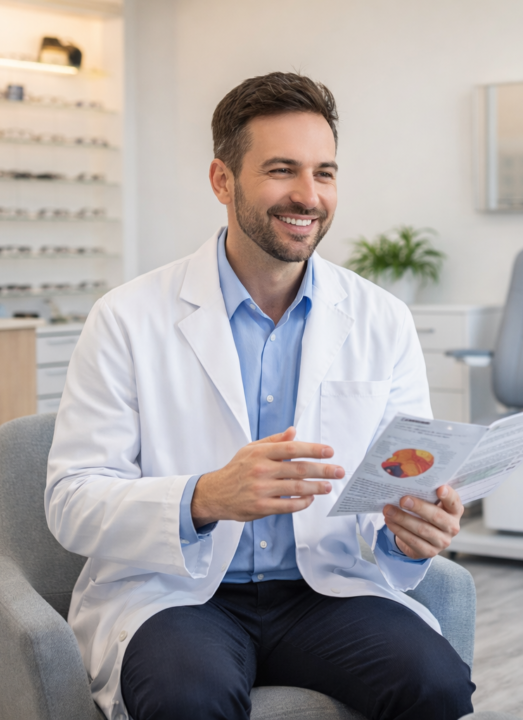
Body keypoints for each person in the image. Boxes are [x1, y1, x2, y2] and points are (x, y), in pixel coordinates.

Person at [45, 72, 474, 720]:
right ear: (223, 180)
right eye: (282, 170)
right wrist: (205, 497)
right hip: (180, 596)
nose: (308, 196)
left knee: (435, 683)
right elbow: (71, 500)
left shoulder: (381, 319)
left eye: (324, 173)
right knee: (188, 697)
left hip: (325, 589)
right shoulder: (127, 318)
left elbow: (398, 482)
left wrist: (409, 533)